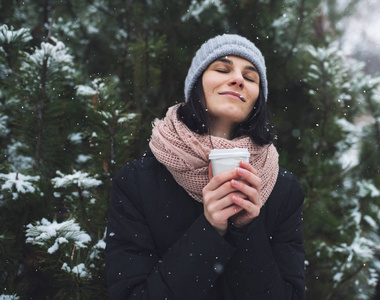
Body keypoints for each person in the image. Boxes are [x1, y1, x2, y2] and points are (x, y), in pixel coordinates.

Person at [105, 34, 306, 300]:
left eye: (251, 77)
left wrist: (246, 229)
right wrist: (210, 230)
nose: (238, 79)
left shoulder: (282, 188)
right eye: (222, 69)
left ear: (258, 99)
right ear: (196, 86)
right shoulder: (137, 182)